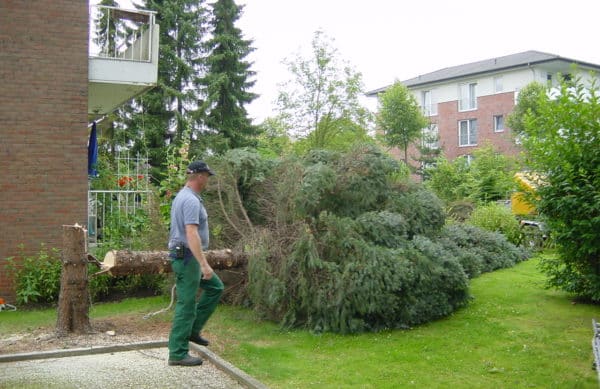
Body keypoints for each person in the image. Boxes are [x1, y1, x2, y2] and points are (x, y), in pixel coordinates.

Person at [167, 161, 224, 366]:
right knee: (187, 303)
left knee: (215, 287)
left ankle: (192, 331)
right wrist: (204, 264)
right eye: (207, 176)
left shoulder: (184, 196)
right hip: (188, 257)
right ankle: (177, 353)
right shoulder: (189, 200)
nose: (208, 179)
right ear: (199, 176)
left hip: (186, 256)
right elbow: (191, 233)